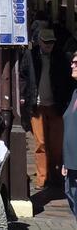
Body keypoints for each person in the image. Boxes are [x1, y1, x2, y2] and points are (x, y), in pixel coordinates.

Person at [19, 28, 74, 189]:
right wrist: (24, 96)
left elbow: (67, 81)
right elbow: (23, 76)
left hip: (56, 105)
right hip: (37, 105)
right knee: (40, 143)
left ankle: (56, 174)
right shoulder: (30, 55)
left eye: (51, 43)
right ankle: (42, 178)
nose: (49, 45)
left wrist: (65, 101)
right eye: (46, 42)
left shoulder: (60, 56)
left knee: (56, 144)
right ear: (40, 41)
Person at [63, 53, 77, 220]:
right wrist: (66, 161)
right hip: (71, 162)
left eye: (76, 62)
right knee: (71, 195)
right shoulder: (74, 92)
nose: (72, 65)